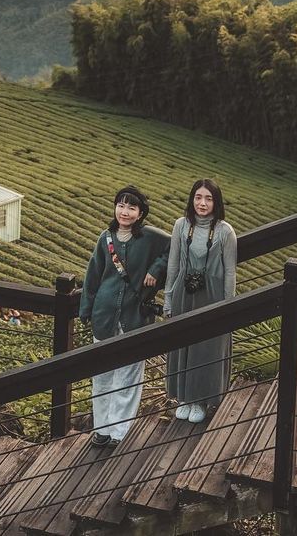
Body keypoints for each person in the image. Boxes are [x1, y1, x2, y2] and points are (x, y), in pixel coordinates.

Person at [78, 184, 170, 449]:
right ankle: (102, 430)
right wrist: (86, 309)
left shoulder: (150, 237)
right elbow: (92, 276)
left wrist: (156, 268)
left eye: (131, 207)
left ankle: (119, 431)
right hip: (104, 314)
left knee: (129, 375)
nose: (125, 211)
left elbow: (173, 247)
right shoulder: (105, 237)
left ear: (141, 213)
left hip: (135, 315)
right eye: (121, 205)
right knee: (102, 374)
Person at [165, 178, 237, 423]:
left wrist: (229, 306)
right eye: (198, 197)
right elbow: (173, 264)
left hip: (212, 295)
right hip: (184, 293)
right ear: (192, 199)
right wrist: (168, 298)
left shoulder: (225, 231)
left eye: (208, 198)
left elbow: (230, 272)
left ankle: (201, 400)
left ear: (216, 202)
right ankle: (184, 397)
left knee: (206, 348)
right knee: (183, 345)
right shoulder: (181, 225)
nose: (202, 203)